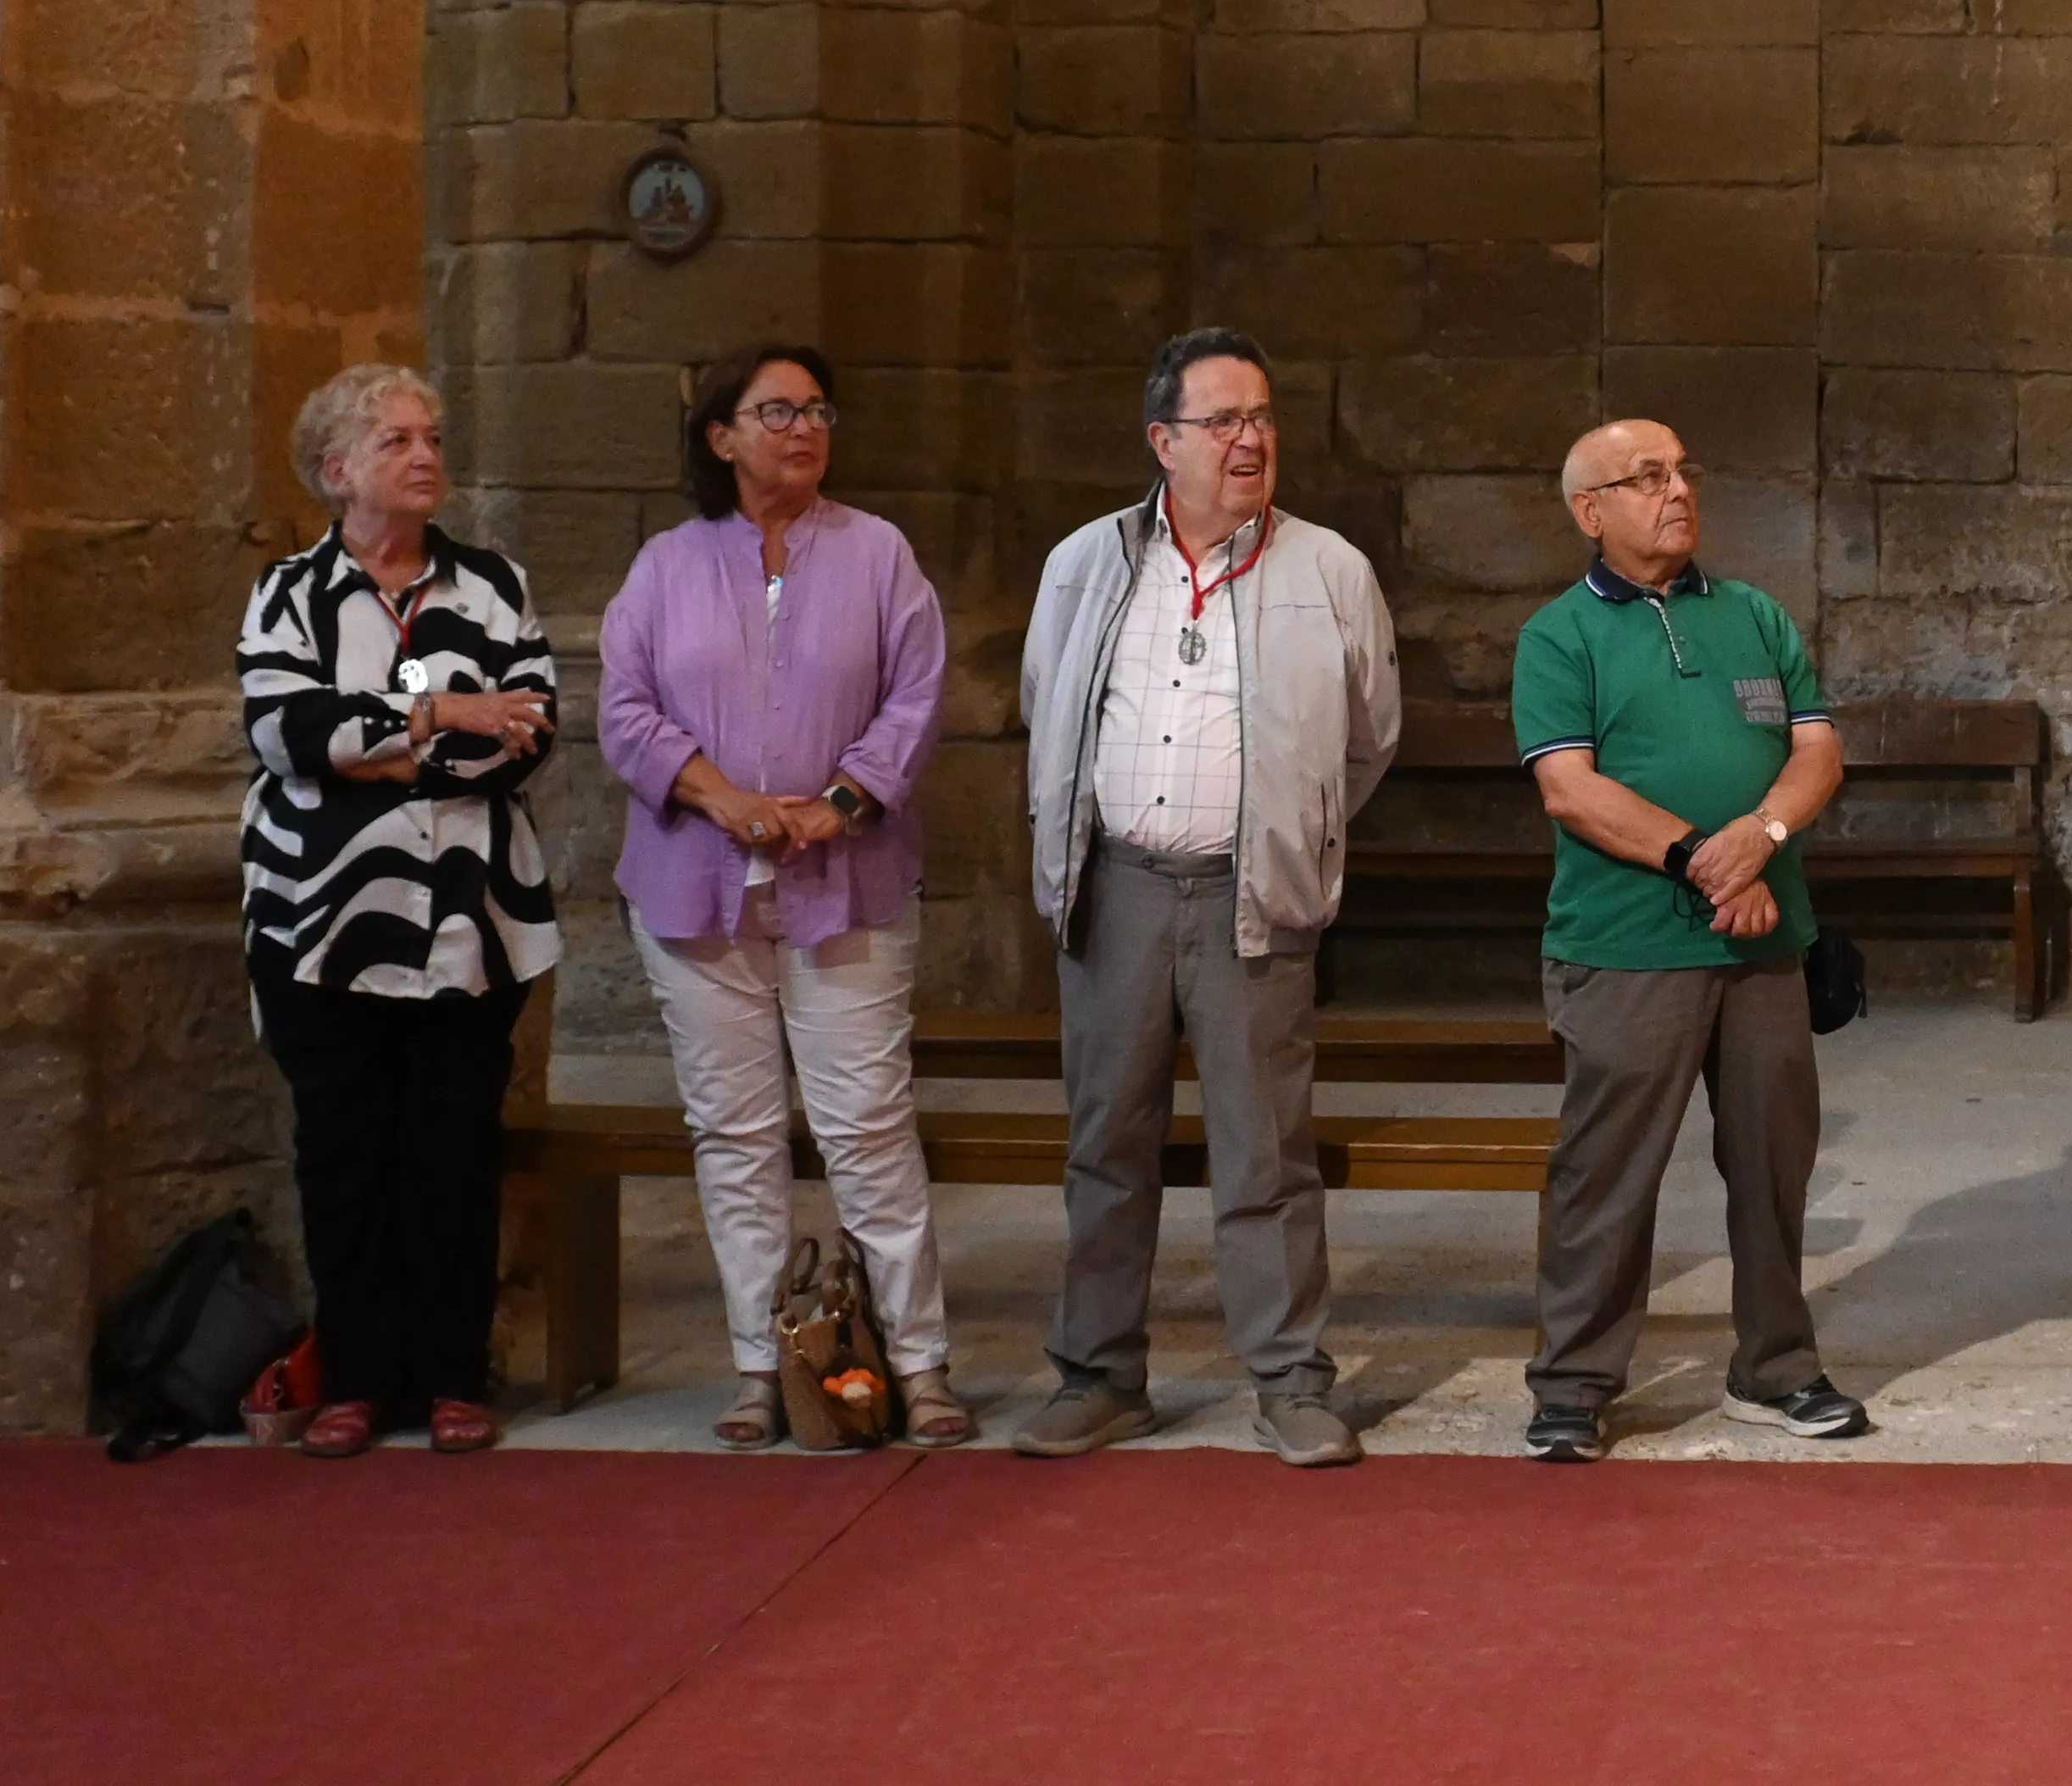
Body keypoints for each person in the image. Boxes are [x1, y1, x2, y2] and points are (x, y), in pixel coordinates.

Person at [1012, 327, 1399, 1466]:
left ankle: (1289, 1382)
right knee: (1105, 1144)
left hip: (1252, 893)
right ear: (1161, 440)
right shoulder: (1084, 562)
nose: (1250, 440)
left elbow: (1369, 736)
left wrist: (1292, 829)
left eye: (1263, 417)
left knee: (1266, 1151)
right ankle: (1097, 1376)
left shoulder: (1328, 569)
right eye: (1223, 420)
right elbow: (1050, 705)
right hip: (1117, 886)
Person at [597, 347, 966, 1447]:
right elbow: (624, 708)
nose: (802, 428)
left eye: (816, 409)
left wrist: (834, 805)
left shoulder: (877, 553)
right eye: (776, 411)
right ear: (721, 436)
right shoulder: (666, 565)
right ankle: (763, 1362)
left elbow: (916, 696)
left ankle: (920, 1359)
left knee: (865, 1124)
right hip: (694, 887)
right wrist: (718, 795)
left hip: (842, 880)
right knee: (737, 1131)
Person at [1512, 418, 1868, 1464]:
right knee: (1606, 1171)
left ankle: (1776, 1367)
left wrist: (1757, 840)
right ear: (1592, 510)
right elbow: (1569, 788)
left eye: (1682, 472)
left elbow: (1817, 749)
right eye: (1647, 476)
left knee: (1772, 1164)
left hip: (1762, 942)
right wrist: (1701, 862)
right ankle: (1574, 1382)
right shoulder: (1558, 635)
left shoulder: (1753, 615)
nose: (1676, 490)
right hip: (1627, 947)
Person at [236, 364, 560, 1456]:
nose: (424, 455)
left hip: (474, 919)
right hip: (319, 921)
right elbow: (284, 735)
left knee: (454, 1149)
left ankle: (454, 1374)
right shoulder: (288, 593)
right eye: (394, 440)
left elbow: (528, 736)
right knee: (344, 1150)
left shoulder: (492, 582)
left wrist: (381, 738)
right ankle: (360, 1377)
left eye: (429, 436)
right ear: (337, 471)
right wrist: (444, 712)